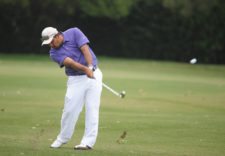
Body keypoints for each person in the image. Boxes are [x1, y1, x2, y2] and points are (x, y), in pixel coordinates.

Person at [41, 26, 103, 150]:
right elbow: (70, 63)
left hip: (94, 74)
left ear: (58, 35)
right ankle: (62, 138)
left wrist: (90, 67)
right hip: (75, 79)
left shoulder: (74, 32)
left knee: (92, 109)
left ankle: (87, 142)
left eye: (52, 41)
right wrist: (86, 69)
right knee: (70, 110)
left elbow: (85, 49)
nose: (51, 45)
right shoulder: (53, 53)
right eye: (48, 44)